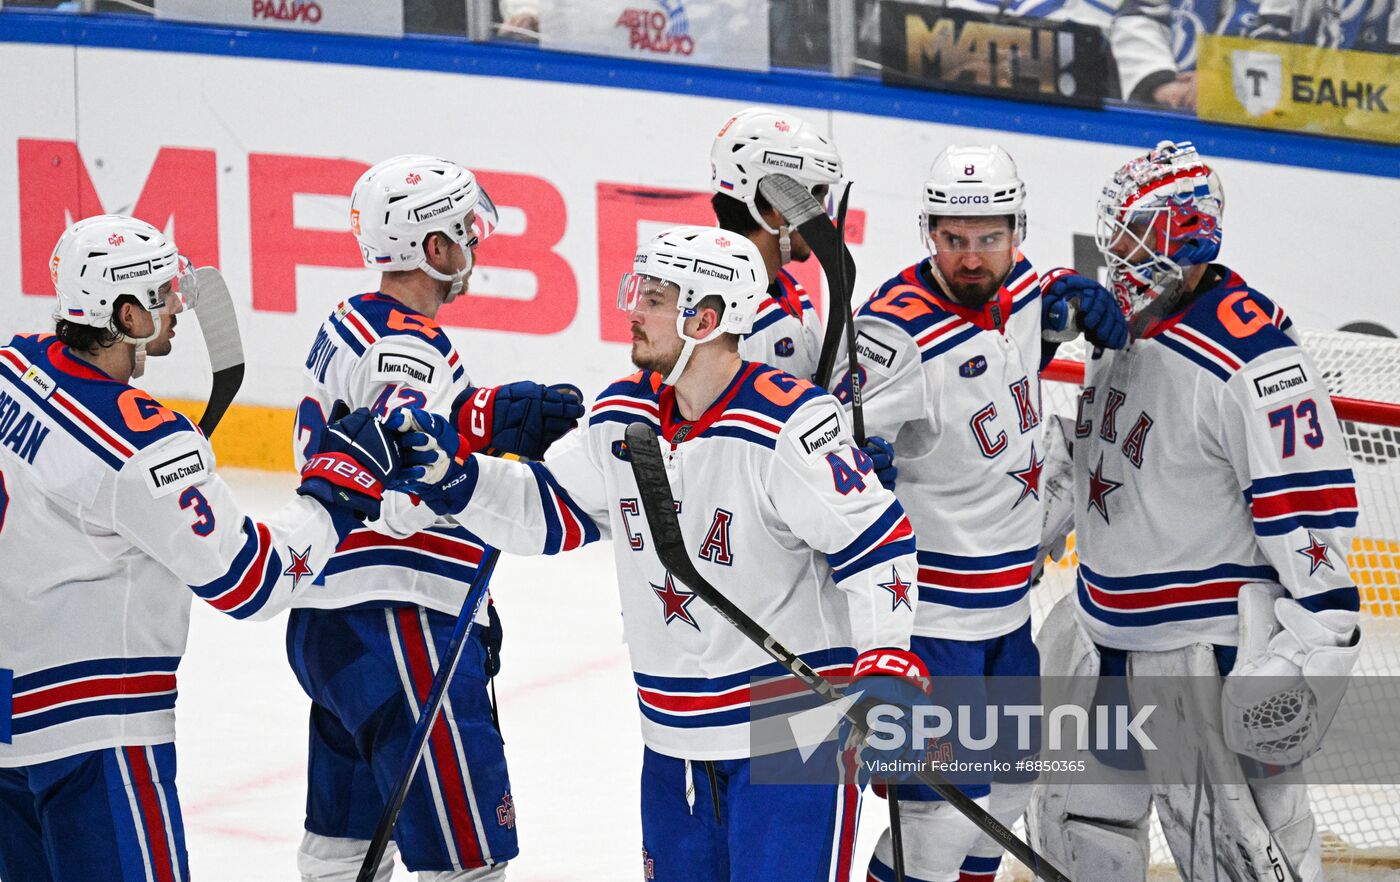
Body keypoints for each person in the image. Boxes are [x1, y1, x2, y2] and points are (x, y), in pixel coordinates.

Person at [389, 226, 930, 881]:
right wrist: (458, 479)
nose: (633, 309)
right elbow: (549, 507)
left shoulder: (790, 423)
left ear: (705, 316)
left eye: (653, 296)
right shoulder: (620, 412)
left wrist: (885, 661)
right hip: (673, 735)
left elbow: (877, 542)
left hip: (794, 729)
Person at [0, 214, 400, 881]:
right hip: (98, 736)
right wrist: (333, 498)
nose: (176, 306)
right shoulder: (147, 444)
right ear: (125, 314)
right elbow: (255, 583)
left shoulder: (14, 365)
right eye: (160, 295)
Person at [1029, 140, 1362, 881]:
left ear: (1186, 236)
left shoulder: (1253, 361)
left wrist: (1300, 664)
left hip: (1199, 656)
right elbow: (1103, 456)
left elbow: (1317, 528)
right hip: (1101, 635)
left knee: (1235, 856)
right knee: (1081, 834)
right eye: (1113, 234)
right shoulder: (1120, 331)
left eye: (1133, 235)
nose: (1116, 252)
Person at [833, 145, 1127, 882]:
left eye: (989, 239)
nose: (971, 258)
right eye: (953, 240)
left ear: (1017, 230)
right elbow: (833, 436)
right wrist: (855, 458)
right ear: (930, 232)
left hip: (1005, 611)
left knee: (1014, 786)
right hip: (933, 622)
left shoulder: (1023, 290)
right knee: (938, 816)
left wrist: (1070, 294)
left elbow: (1026, 323)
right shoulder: (895, 333)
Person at [288, 154, 584, 882]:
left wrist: (479, 417)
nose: (474, 247)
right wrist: (482, 457)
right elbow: (402, 480)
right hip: (403, 625)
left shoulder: (353, 322)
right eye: (464, 232)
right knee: (466, 861)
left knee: (340, 855)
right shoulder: (408, 344)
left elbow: (404, 423)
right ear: (432, 248)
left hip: (332, 626)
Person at [708, 106, 842, 384]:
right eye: (817, 196)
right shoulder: (719, 319)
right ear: (778, 203)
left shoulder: (789, 292)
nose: (824, 214)